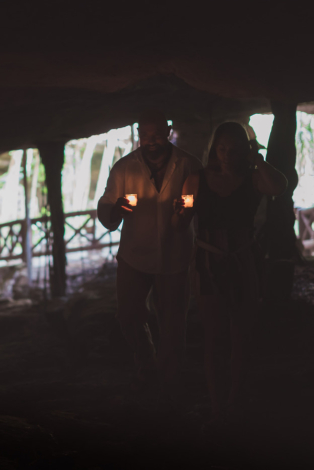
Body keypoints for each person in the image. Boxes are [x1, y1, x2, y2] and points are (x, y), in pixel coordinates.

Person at [172, 121, 287, 427]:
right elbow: (180, 222)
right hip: (208, 264)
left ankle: (235, 400)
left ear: (244, 150)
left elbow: (279, 186)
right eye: (221, 147)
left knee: (241, 336)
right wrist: (178, 211)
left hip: (243, 261)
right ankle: (216, 404)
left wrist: (258, 159)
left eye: (234, 149)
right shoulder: (196, 180)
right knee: (214, 337)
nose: (226, 154)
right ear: (214, 148)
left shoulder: (253, 180)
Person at [97, 110, 201, 393]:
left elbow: (203, 207)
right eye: (145, 135)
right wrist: (115, 209)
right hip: (134, 255)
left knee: (173, 323)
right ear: (138, 134)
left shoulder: (189, 165)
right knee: (129, 314)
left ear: (168, 131)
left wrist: (188, 211)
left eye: (156, 134)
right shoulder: (124, 168)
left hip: (175, 255)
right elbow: (105, 205)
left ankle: (168, 379)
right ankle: (146, 364)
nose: (150, 140)